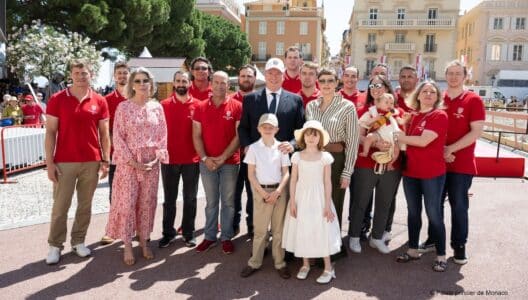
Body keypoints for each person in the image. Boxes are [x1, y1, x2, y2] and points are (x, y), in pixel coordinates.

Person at [44, 59, 110, 265]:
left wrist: (105, 160)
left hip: (91, 161)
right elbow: (50, 132)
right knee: (60, 206)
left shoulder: (99, 100)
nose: (81, 76)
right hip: (64, 162)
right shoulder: (57, 99)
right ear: (71, 75)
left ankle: (79, 241)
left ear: (91, 75)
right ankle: (55, 245)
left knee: (85, 205)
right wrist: (49, 163)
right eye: (77, 72)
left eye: (85, 73)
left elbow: (104, 134)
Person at [420, 60, 485, 265]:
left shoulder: (473, 100)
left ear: (465, 76)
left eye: (458, 73)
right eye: (450, 73)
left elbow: (476, 132)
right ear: (445, 75)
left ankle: (459, 246)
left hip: (461, 164)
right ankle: (433, 239)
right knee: (434, 205)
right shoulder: (439, 99)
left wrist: (450, 149)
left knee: (458, 206)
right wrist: (441, 151)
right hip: (436, 162)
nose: (454, 77)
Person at [105, 67, 168, 265]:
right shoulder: (123, 107)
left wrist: (156, 158)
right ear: (132, 84)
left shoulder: (157, 107)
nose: (142, 84)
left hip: (151, 164)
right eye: (138, 81)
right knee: (128, 204)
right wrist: (132, 161)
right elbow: (118, 136)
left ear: (151, 84)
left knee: (147, 204)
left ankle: (144, 241)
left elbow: (162, 134)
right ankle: (127, 246)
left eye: (145, 80)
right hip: (128, 164)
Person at [394, 81, 449, 272]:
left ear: (437, 97)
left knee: (434, 214)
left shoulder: (439, 115)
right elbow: (399, 125)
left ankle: (442, 255)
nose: (428, 94)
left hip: (431, 174)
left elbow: (423, 141)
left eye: (432, 92)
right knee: (413, 213)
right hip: (411, 173)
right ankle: (412, 250)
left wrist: (399, 137)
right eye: (424, 91)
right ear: (417, 95)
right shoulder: (414, 116)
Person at [282, 120, 342, 284]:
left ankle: (328, 267)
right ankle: (305, 264)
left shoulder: (325, 157)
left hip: (319, 197)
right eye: (308, 134)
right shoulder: (296, 156)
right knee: (303, 228)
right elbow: (293, 180)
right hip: (301, 196)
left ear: (320, 138)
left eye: (315, 135)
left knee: (321, 229)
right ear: (303, 137)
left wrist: (327, 205)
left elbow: (327, 182)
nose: (311, 138)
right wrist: (293, 202)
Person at [348, 75, 401, 255]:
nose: (376, 88)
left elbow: (401, 134)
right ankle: (354, 236)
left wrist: (394, 147)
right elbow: (358, 135)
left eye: (380, 85)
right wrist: (376, 143)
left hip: (389, 164)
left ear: (387, 88)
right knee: (360, 201)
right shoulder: (366, 110)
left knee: (384, 202)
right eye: (372, 86)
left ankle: (377, 237)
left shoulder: (395, 112)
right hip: (366, 162)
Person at [305, 68, 359, 239]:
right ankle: (313, 245)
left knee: (333, 204)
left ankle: (331, 248)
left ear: (337, 83)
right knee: (313, 203)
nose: (326, 84)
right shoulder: (311, 106)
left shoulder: (347, 107)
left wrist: (347, 172)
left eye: (330, 81)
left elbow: (352, 142)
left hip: (336, 161)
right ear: (317, 83)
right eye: (322, 81)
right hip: (312, 160)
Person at [192, 71, 242, 254]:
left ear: (229, 85)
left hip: (229, 163)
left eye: (224, 82)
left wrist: (222, 158)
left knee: (228, 201)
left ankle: (226, 236)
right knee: (211, 201)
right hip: (207, 163)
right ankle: (210, 236)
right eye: (217, 82)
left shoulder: (237, 106)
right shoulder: (200, 107)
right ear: (211, 84)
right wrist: (205, 158)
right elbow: (196, 135)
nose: (221, 86)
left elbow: (238, 136)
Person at [240, 113, 291, 279]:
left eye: (271, 127)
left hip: (279, 193)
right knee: (261, 231)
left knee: (278, 230)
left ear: (277, 129)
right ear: (259, 129)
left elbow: (286, 173)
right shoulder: (254, 148)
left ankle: (280, 263)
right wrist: (263, 193)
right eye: (265, 127)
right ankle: (255, 262)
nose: (268, 129)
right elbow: (251, 175)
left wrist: (277, 192)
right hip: (261, 192)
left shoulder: (282, 148)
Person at [158, 71, 200, 248]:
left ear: (190, 83)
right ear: (173, 83)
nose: (181, 84)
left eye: (184, 81)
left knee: (190, 198)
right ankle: (168, 233)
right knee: (169, 199)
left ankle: (189, 233)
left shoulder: (198, 105)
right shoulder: (163, 105)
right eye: (178, 81)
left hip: (192, 159)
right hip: (169, 160)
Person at [238, 57, 305, 156]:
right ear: (265, 75)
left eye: (278, 73)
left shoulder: (296, 100)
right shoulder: (250, 99)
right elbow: (243, 128)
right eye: (270, 73)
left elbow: (301, 130)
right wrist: (247, 145)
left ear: (283, 76)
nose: (274, 77)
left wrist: (292, 144)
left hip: (284, 158)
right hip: (257, 157)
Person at [100, 62, 129, 245]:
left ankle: (133, 228)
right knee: (116, 193)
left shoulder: (138, 98)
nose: (122, 76)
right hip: (116, 155)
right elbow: (105, 130)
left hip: (136, 157)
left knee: (137, 193)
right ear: (114, 76)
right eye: (119, 73)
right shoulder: (107, 100)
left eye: (125, 73)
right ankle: (113, 229)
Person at [232, 64, 257, 237]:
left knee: (252, 193)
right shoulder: (230, 100)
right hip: (233, 156)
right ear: (238, 78)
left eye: (249, 76)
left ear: (255, 79)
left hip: (253, 157)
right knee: (233, 193)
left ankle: (252, 225)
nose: (246, 79)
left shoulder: (259, 100)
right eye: (243, 76)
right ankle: (233, 224)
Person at [358, 93, 401, 168]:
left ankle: (390, 164)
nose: (389, 105)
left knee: (397, 150)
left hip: (392, 136)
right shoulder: (373, 113)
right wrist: (375, 119)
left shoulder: (393, 113)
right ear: (378, 104)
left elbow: (401, 122)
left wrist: (405, 119)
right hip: (379, 135)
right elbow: (367, 123)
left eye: (391, 103)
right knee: (369, 137)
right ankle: (365, 151)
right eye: (386, 102)